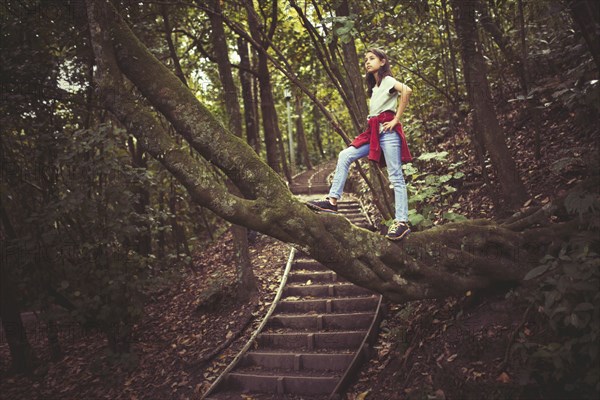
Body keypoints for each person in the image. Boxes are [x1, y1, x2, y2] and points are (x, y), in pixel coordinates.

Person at [307, 48, 413, 241]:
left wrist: (396, 119)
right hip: (374, 132)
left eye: (372, 59)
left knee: (396, 176)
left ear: (382, 62)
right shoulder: (375, 87)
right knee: (345, 155)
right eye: (365, 60)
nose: (367, 62)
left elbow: (407, 90)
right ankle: (332, 201)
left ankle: (402, 222)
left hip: (388, 132)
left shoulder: (388, 80)